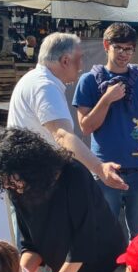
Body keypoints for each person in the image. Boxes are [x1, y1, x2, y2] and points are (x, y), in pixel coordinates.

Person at [0, 127, 127, 272]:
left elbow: (83, 243)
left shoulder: (73, 175)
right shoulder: (16, 189)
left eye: (12, 178)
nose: (8, 185)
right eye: (2, 179)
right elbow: (31, 245)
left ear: (30, 166)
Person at [74, 23, 138, 239]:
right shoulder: (88, 81)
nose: (124, 54)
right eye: (119, 48)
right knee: (105, 233)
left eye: (129, 49)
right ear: (107, 46)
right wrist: (107, 98)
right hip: (105, 171)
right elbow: (85, 127)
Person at [8, 32, 127, 191]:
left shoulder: (35, 79)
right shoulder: (45, 86)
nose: (81, 66)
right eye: (79, 59)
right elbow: (62, 135)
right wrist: (99, 168)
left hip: (30, 178)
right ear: (65, 61)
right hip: (34, 183)